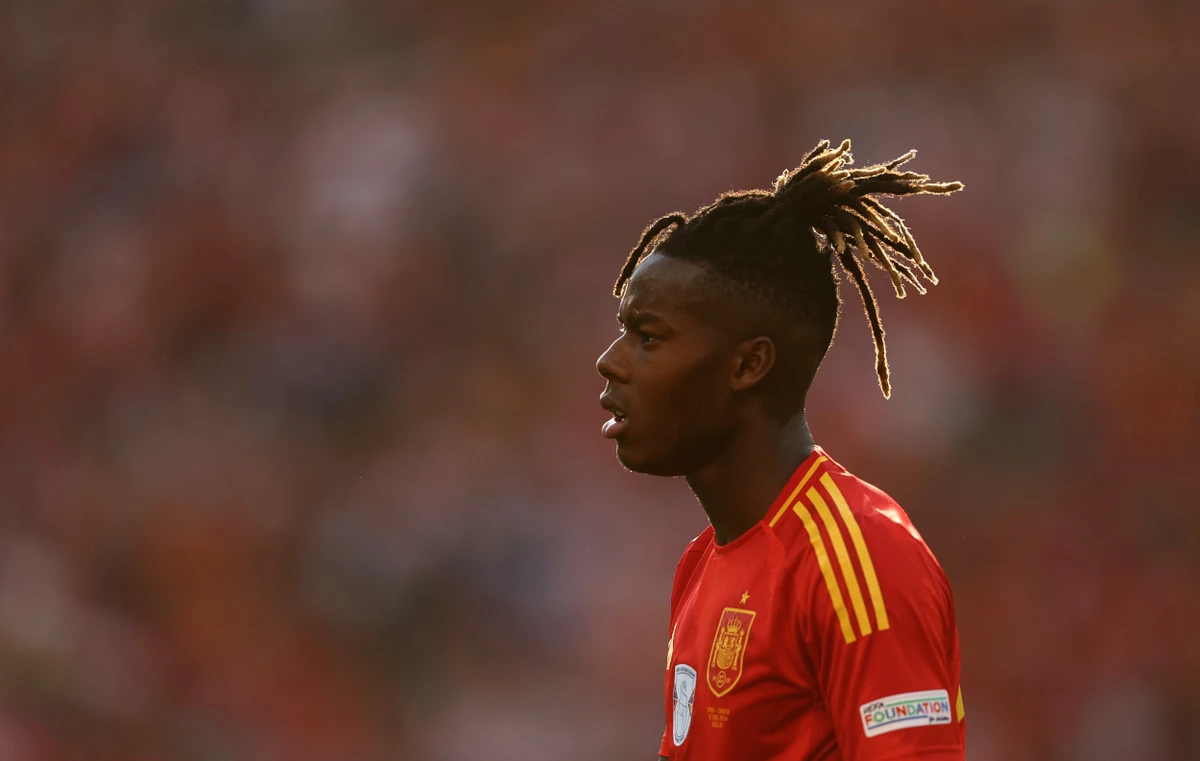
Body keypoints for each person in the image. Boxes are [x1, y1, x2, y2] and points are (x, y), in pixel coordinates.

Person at [596, 139, 966, 760]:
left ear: (748, 365)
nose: (611, 362)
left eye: (648, 337)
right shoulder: (702, 565)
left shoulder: (862, 556)